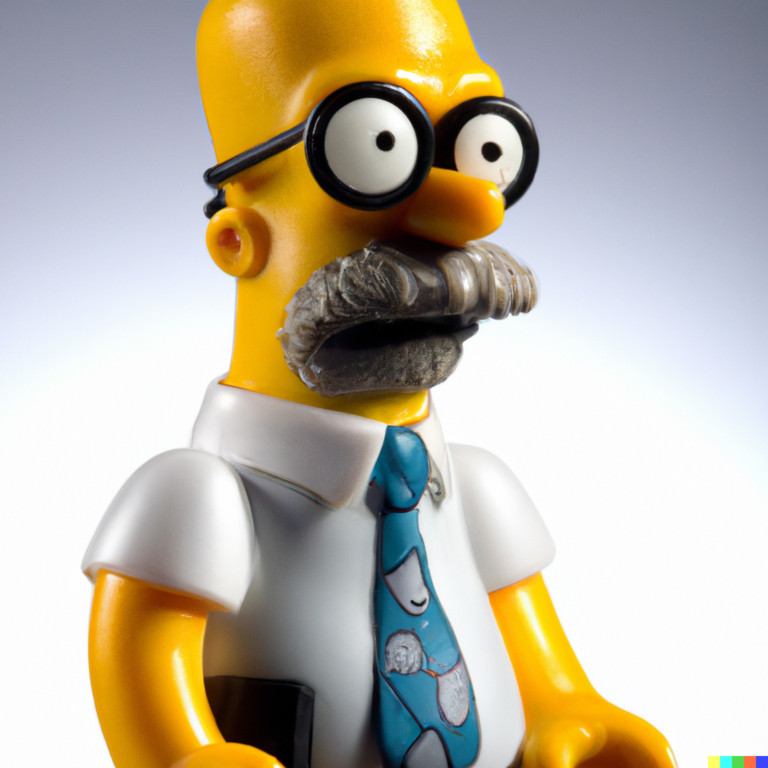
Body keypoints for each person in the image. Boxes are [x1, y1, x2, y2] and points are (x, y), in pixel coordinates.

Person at [83, 2, 676, 767]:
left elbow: (539, 663)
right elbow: (145, 667)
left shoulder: (474, 490)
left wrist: (570, 712)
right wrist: (192, 754)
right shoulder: (198, 498)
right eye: (379, 143)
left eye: (482, 146)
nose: (473, 211)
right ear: (236, 240)